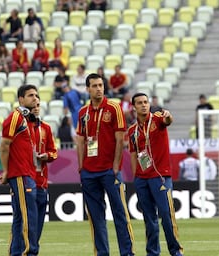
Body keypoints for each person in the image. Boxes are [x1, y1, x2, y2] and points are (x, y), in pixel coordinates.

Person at [76, 73, 134, 256]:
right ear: (88, 89)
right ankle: (102, 253)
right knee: (96, 218)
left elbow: (120, 139)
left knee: (120, 215)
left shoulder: (114, 108)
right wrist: (80, 166)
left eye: (101, 85)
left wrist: (116, 166)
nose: (99, 88)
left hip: (109, 171)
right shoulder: (83, 113)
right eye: (94, 85)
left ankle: (127, 253)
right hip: (89, 172)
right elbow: (80, 140)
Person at [128, 92, 184, 256]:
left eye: (146, 102)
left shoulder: (158, 119)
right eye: (140, 103)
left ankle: (175, 251)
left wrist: (168, 115)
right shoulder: (132, 130)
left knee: (166, 216)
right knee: (149, 219)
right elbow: (133, 155)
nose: (144, 105)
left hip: (160, 177)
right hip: (142, 180)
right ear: (134, 107)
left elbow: (168, 121)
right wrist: (135, 177)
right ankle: (152, 252)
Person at [0, 84, 39, 256]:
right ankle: (30, 252)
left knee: (20, 217)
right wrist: (6, 171)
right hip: (20, 174)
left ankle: (15, 253)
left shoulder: (27, 120)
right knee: (29, 216)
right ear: (21, 99)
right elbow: (4, 146)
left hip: (26, 173)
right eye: (30, 96)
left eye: (36, 95)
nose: (35, 98)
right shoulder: (15, 118)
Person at [30, 101, 58, 253]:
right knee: (24, 223)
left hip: (41, 183)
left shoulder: (46, 128)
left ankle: (33, 251)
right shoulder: (21, 128)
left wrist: (46, 156)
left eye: (38, 105)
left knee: (38, 224)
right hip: (25, 182)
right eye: (33, 105)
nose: (35, 108)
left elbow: (54, 152)